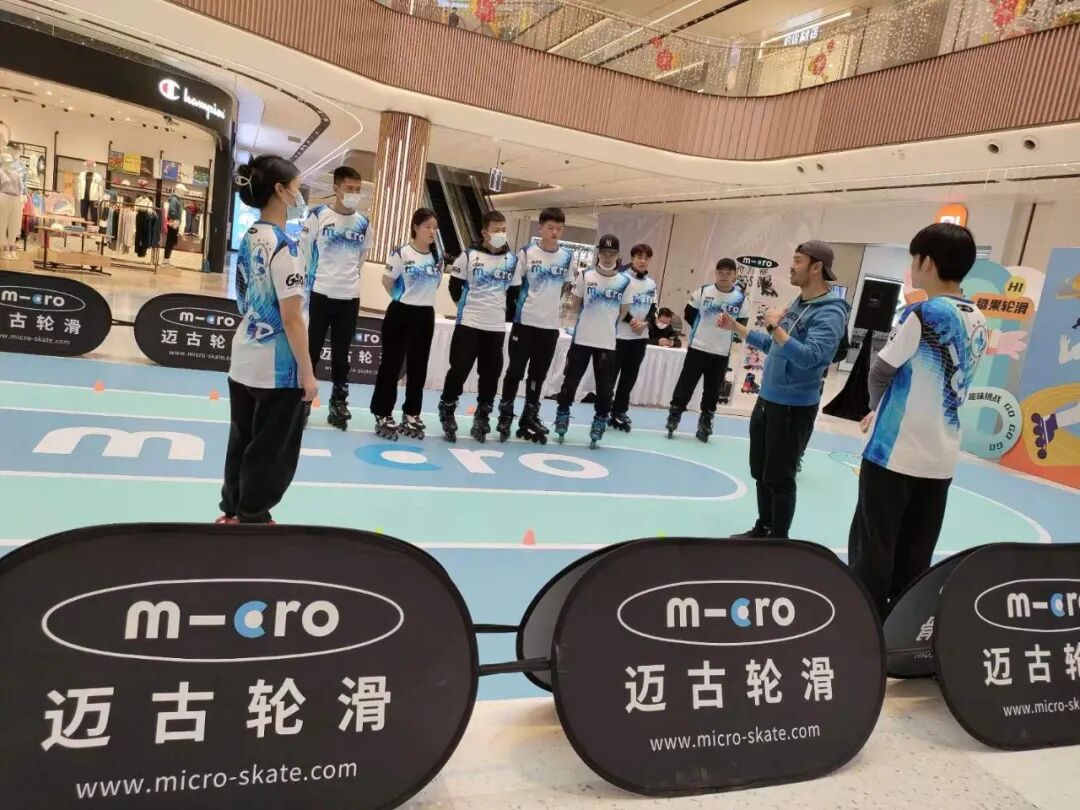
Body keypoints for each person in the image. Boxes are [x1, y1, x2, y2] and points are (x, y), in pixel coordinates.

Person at [848, 223, 988, 618]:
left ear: (927, 262)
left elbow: (880, 372)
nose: (913, 267)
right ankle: (903, 625)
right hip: (940, 457)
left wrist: (876, 408)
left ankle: (866, 624)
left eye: (914, 259)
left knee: (874, 546)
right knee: (916, 551)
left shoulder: (923, 313)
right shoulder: (978, 317)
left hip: (894, 451)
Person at [719, 240, 849, 539]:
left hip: (793, 407)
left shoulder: (831, 312)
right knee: (761, 471)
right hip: (768, 399)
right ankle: (763, 528)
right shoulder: (798, 304)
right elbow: (775, 345)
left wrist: (773, 327)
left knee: (780, 478)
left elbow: (812, 358)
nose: (792, 266)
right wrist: (737, 328)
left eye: (798, 260)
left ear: (817, 267)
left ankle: (779, 542)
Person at [217, 155, 318, 525]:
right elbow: (292, 319)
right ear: (280, 190)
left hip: (244, 358)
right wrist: (308, 373)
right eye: (297, 187)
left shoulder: (250, 237)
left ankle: (232, 509)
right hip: (277, 369)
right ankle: (253, 518)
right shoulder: (285, 248)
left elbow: (243, 298)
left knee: (241, 440)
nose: (300, 195)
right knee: (272, 451)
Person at [439, 209, 518, 442]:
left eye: (503, 230)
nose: (501, 234)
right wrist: (467, 309)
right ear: (485, 233)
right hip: (469, 325)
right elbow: (454, 287)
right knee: (459, 370)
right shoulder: (468, 256)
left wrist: (501, 314)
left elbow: (514, 293)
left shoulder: (511, 261)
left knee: (490, 375)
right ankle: (447, 408)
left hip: (495, 329)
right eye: (496, 230)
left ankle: (483, 415)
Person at [299, 166, 369, 431]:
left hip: (349, 298)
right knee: (312, 350)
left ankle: (338, 402)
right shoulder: (318, 215)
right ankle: (304, 400)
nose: (354, 193)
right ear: (336, 189)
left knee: (342, 357)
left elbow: (360, 258)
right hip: (320, 294)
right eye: (349, 188)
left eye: (357, 189)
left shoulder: (363, 223)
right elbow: (304, 253)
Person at [497, 207, 574, 444]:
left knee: (538, 375)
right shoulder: (526, 252)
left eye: (559, 228)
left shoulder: (567, 257)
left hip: (549, 327)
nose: (555, 232)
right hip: (525, 323)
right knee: (515, 371)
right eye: (550, 228)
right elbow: (515, 286)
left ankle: (530, 415)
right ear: (540, 228)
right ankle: (506, 413)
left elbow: (566, 287)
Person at [370, 207, 443, 440]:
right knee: (391, 365)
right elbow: (387, 281)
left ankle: (411, 412)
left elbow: (436, 284)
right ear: (416, 227)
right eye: (427, 226)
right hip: (401, 313)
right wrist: (403, 299)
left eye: (435, 227)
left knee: (418, 367)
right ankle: (382, 412)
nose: (432, 231)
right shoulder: (401, 253)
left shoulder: (438, 257)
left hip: (425, 315)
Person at [554, 234, 633, 448]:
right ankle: (562, 413)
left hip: (607, 343)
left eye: (612, 253)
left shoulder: (625, 282)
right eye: (604, 252)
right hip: (582, 339)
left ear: (618, 255)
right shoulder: (585, 276)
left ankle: (600, 420)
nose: (607, 257)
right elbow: (575, 304)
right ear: (598, 253)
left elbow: (623, 312)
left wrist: (605, 324)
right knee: (570, 382)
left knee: (605, 388)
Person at [666, 258, 749, 442]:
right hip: (698, 347)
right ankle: (675, 414)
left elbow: (742, 323)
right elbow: (689, 313)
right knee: (685, 384)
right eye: (720, 272)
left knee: (712, 390)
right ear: (715, 273)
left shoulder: (741, 299)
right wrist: (701, 329)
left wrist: (727, 335)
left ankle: (706, 421)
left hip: (721, 353)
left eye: (728, 273)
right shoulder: (703, 291)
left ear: (735, 275)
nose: (724, 276)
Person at [609, 244, 658, 433]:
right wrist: (630, 320)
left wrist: (645, 323)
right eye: (639, 257)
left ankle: (620, 411)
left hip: (640, 338)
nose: (643, 261)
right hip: (620, 336)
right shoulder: (621, 279)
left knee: (629, 377)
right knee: (611, 376)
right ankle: (604, 409)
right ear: (632, 258)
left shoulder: (651, 284)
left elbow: (653, 308)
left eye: (646, 258)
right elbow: (615, 304)